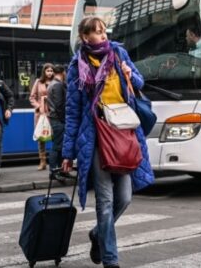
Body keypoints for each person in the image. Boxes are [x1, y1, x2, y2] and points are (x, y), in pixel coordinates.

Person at [61, 17, 154, 268]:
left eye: (104, 32)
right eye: (97, 33)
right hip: (95, 136)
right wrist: (68, 152)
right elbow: (72, 111)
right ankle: (111, 259)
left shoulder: (118, 53)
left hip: (122, 131)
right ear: (85, 37)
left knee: (124, 197)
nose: (103, 36)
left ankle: (97, 233)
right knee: (105, 201)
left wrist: (129, 75)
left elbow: (139, 82)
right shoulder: (77, 65)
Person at [29, 63, 55, 170]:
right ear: (44, 72)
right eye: (47, 71)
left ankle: (55, 161)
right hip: (41, 114)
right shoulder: (38, 82)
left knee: (55, 137)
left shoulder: (56, 82)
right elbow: (32, 97)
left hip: (53, 113)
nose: (49, 73)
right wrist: (38, 106)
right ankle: (42, 161)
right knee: (41, 138)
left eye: (51, 71)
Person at [46, 65, 67, 181]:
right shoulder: (58, 85)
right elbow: (59, 105)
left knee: (59, 146)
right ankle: (54, 171)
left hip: (54, 119)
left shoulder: (51, 84)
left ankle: (59, 170)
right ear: (63, 72)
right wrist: (64, 120)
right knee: (57, 147)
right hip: (58, 120)